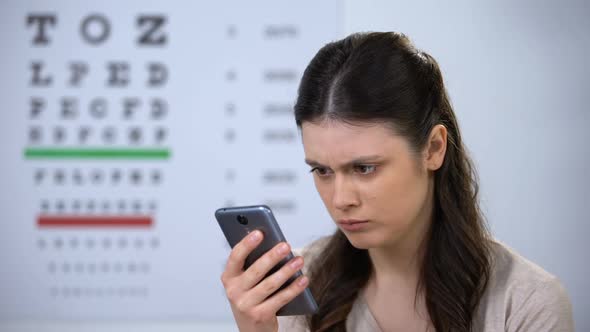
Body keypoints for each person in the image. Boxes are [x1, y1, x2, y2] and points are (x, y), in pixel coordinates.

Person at [219, 31, 574, 332]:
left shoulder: (524, 301)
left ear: (434, 148)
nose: (341, 199)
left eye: (365, 168)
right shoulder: (299, 287)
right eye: (322, 171)